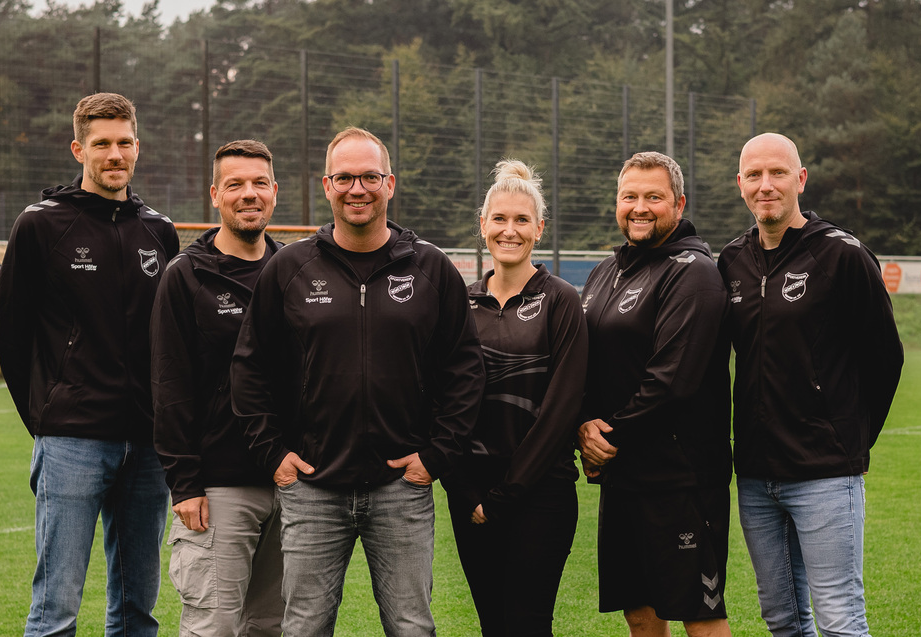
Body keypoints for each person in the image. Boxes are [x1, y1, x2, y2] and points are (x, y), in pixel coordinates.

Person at [229, 126, 485, 637]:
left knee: (412, 628)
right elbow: (249, 367)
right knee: (303, 628)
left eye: (369, 176)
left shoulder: (431, 268)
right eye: (344, 177)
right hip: (311, 489)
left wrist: (435, 456)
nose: (357, 189)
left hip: (401, 487)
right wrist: (272, 454)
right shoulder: (289, 269)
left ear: (390, 183)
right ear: (326, 185)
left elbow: (464, 370)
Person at [0, 92, 179, 637]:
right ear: (79, 148)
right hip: (72, 440)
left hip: (147, 446)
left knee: (137, 612)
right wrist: (49, 420)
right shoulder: (41, 225)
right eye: (102, 144)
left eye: (124, 143)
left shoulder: (159, 229)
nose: (114, 154)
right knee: (55, 613)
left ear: (138, 148)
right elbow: (12, 335)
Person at [717, 132, 903, 637]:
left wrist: (849, 441)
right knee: (782, 621)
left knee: (840, 619)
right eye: (754, 175)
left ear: (800, 179)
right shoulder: (730, 261)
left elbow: (885, 359)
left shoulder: (842, 256)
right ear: (740, 185)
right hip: (756, 476)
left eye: (777, 173)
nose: (765, 185)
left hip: (824, 474)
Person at [577, 151, 733, 637]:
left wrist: (608, 436)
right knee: (639, 610)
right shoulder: (607, 271)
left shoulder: (694, 272)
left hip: (680, 478)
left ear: (679, 204)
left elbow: (671, 379)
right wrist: (582, 424)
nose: (639, 207)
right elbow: (586, 364)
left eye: (654, 197)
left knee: (699, 613)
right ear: (617, 203)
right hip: (623, 476)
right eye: (630, 196)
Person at [442, 160, 588, 636]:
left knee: (526, 625)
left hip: (539, 493)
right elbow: (444, 405)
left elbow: (561, 409)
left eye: (522, 220)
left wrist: (505, 497)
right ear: (482, 225)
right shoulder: (459, 305)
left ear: (539, 228)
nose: (510, 230)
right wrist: (464, 491)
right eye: (499, 219)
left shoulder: (561, 300)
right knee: (492, 625)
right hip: (470, 494)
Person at [150, 139, 284, 636]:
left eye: (258, 183)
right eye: (235, 185)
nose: (248, 194)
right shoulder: (185, 276)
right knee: (213, 628)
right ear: (215, 195)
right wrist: (184, 483)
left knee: (271, 626)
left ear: (275, 191)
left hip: (292, 483)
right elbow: (169, 384)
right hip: (218, 488)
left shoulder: (295, 270)